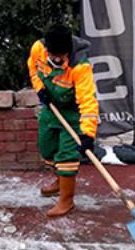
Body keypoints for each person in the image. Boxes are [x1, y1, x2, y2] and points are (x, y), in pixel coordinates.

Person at [27, 24, 98, 217]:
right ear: (47, 50)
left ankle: (66, 201)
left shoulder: (80, 66)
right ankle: (60, 181)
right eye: (54, 55)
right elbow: (33, 68)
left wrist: (87, 134)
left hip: (73, 115)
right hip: (52, 109)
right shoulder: (38, 49)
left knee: (67, 156)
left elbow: (88, 101)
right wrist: (40, 89)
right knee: (47, 148)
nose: (58, 60)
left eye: (62, 55)